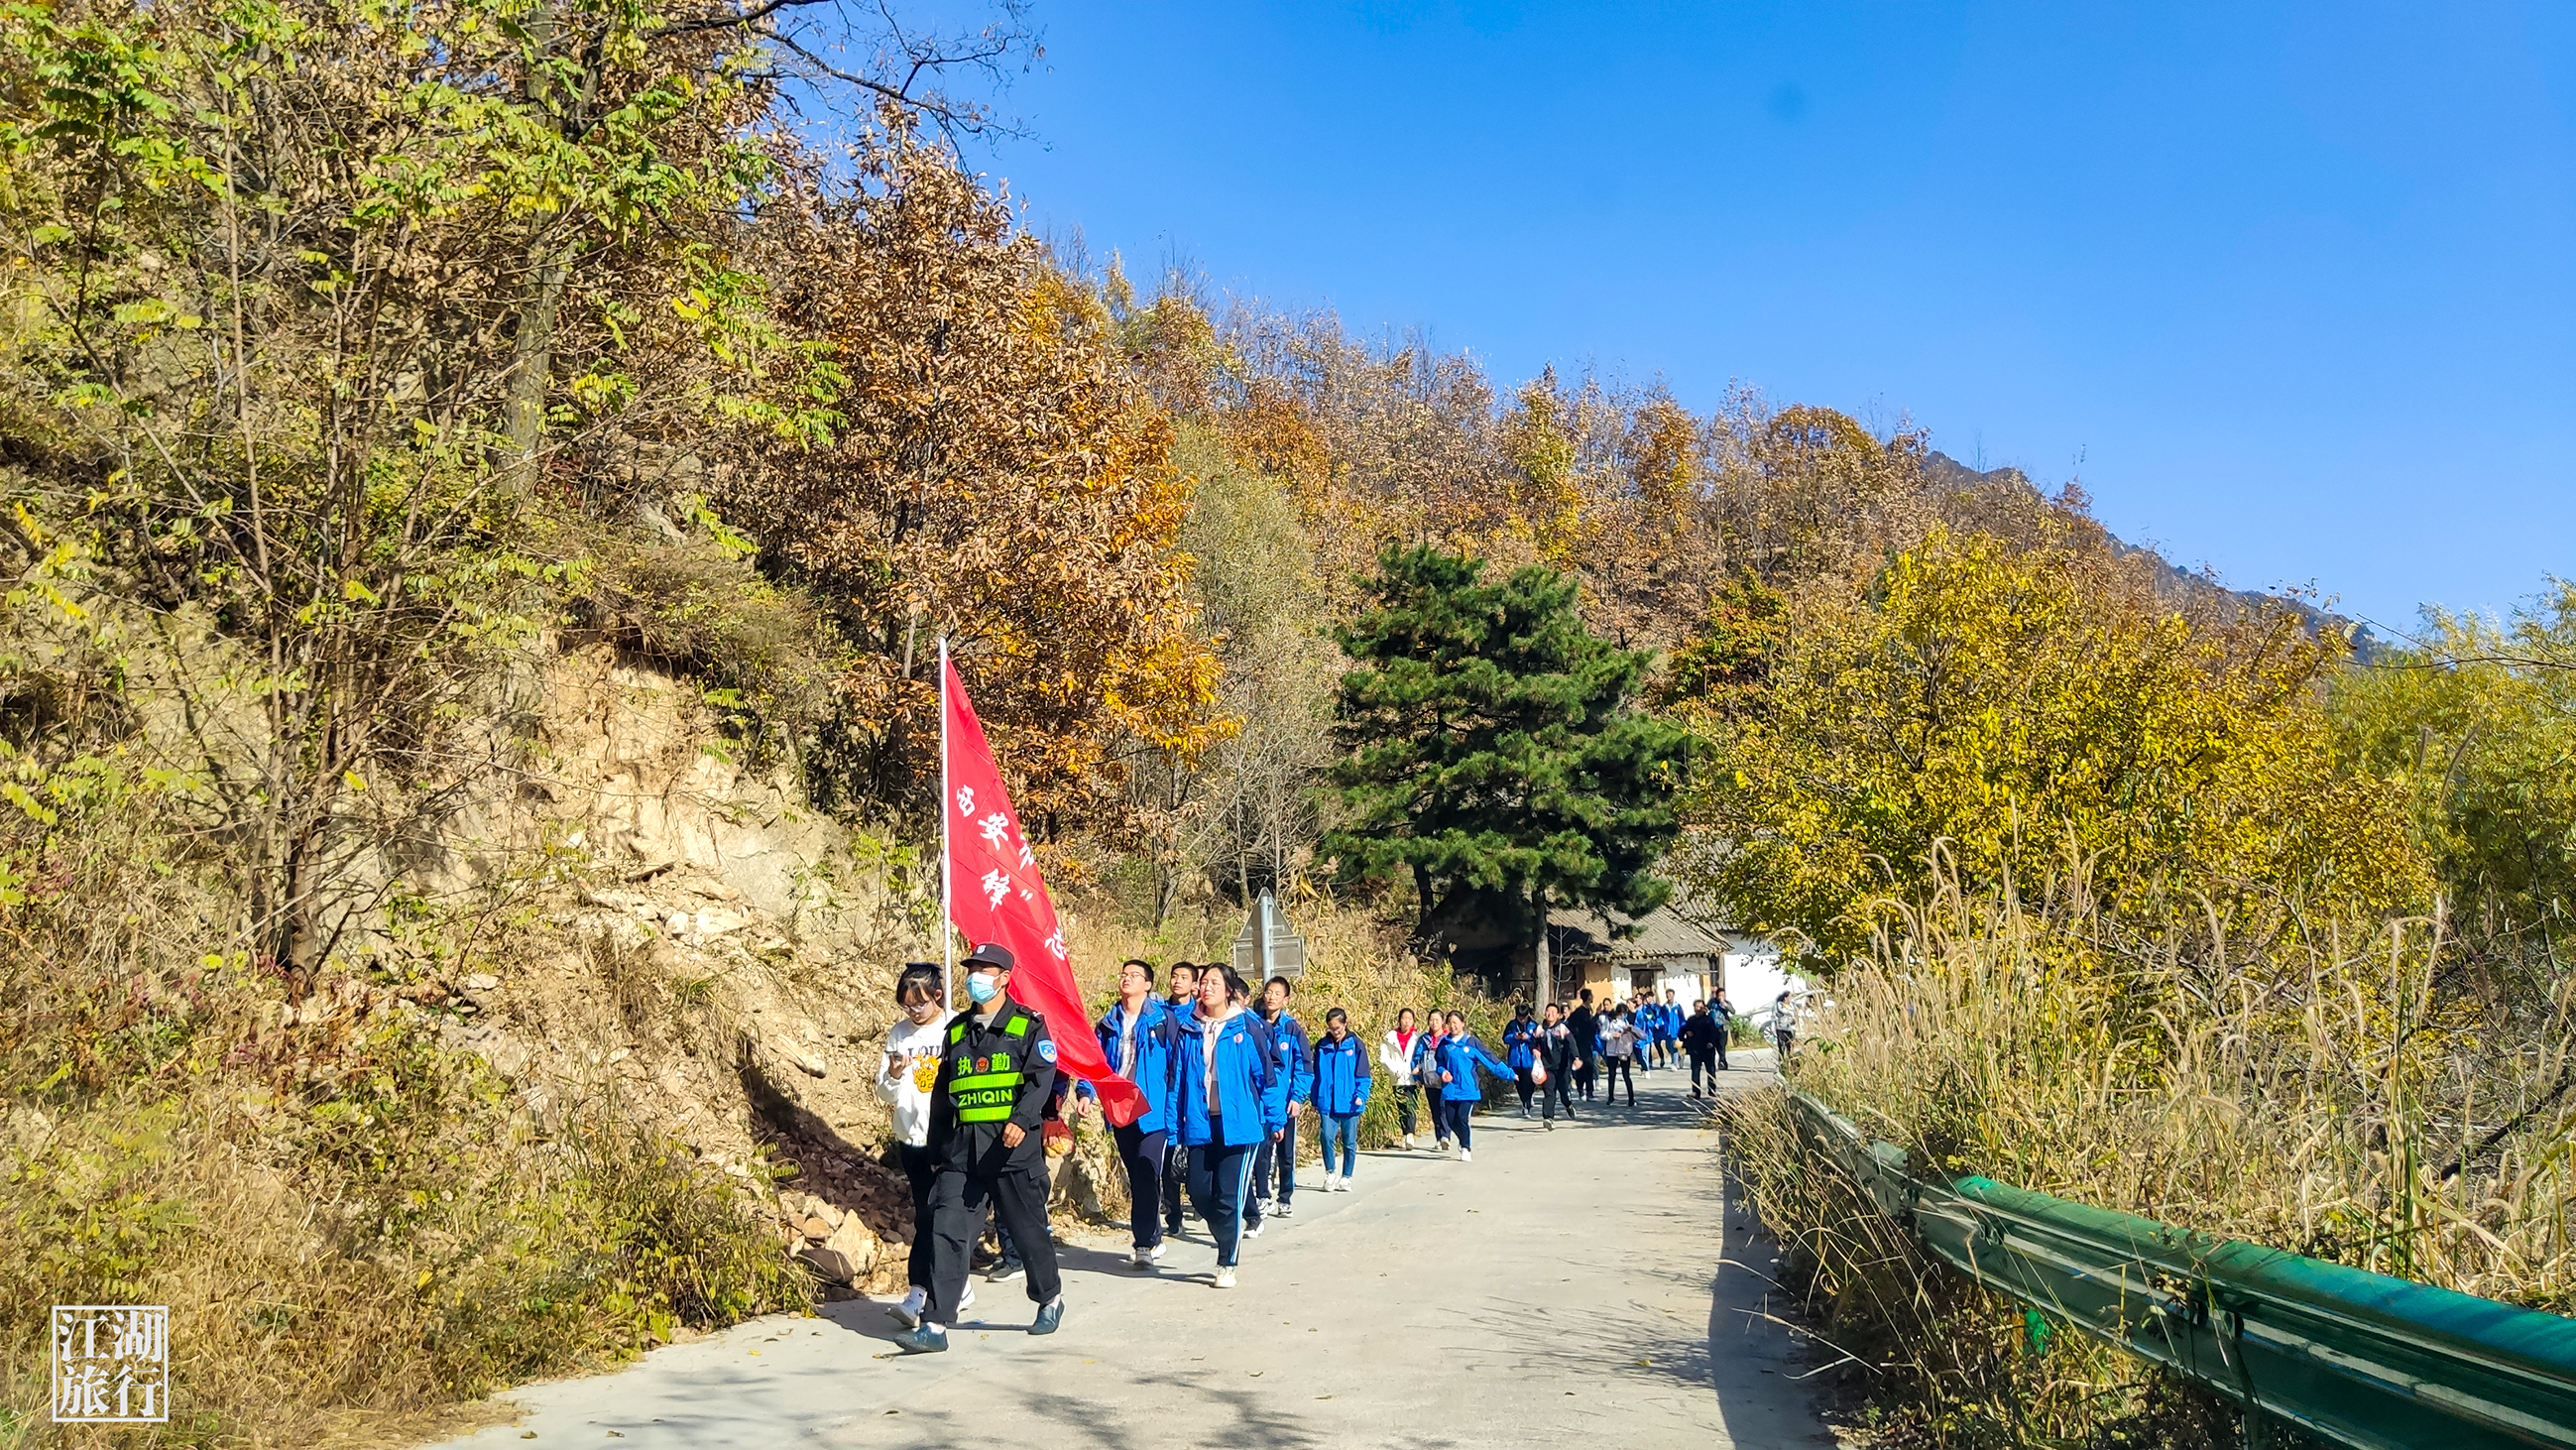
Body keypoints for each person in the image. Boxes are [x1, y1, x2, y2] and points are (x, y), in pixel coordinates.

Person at [896, 944, 1064, 1355]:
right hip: (962, 1155)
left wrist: (1021, 1120)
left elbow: (1040, 1078)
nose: (976, 977)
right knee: (947, 1232)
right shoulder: (956, 1031)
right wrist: (936, 1146)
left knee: (1027, 1234)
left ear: (1005, 977)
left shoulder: (1028, 1027)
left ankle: (1049, 1298)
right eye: (972, 969)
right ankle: (934, 1324)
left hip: (1011, 1153)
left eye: (985, 970)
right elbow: (941, 1094)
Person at [877, 962, 976, 1328]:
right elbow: (884, 1092)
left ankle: (919, 1294)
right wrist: (894, 1074)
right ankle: (958, 1286)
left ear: (938, 995)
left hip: (949, 1138)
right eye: (906, 1005)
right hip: (912, 1138)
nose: (912, 1012)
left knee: (936, 1216)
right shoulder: (899, 1034)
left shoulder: (958, 1027)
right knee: (926, 1214)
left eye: (918, 1004)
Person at [1173, 964, 1282, 1288]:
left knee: (1229, 1196)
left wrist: (1275, 1119)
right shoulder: (1188, 1027)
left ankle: (1227, 1262)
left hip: (1240, 1125)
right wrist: (1172, 1125)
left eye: (1214, 982)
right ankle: (1226, 1233)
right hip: (1200, 1123)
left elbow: (1267, 1077)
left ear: (1229, 990)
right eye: (1203, 982)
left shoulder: (1248, 1027)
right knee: (1198, 1190)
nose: (1206, 987)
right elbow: (1176, 1080)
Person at [1085, 958, 1183, 1269]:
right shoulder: (1108, 1022)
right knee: (1137, 1175)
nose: (1127, 979)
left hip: (1152, 1110)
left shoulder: (1163, 1020)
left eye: (1135, 975)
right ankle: (1153, 1235)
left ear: (1148, 984)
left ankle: (1142, 1244)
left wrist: (1174, 1109)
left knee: (1145, 1171)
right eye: (1124, 974)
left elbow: (1176, 1067)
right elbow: (1093, 1061)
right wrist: (1086, 1093)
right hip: (1120, 1107)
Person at [1247, 975, 1312, 1228]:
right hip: (1260, 1101)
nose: (1271, 996)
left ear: (1286, 999)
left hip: (1285, 1102)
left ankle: (1285, 1196)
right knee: (1261, 1152)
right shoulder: (1254, 1024)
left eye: (1277, 993)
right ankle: (1263, 1195)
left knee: (1286, 1153)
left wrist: (1297, 1097)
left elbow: (1304, 1067)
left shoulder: (1292, 1029)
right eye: (1268, 992)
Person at [1433, 1011, 1512, 1161]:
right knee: (1450, 1121)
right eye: (1450, 1023)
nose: (1453, 1026)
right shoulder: (1444, 1044)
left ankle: (1465, 1147)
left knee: (1462, 1118)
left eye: (1456, 1022)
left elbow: (1489, 1060)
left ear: (1463, 1023)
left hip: (1468, 1089)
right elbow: (1439, 1063)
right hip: (1450, 1089)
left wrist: (1509, 1074)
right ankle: (1463, 1138)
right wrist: (1442, 1072)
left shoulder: (1472, 1042)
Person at [1310, 1008, 1371, 1190]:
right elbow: (1316, 1074)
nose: (1335, 1031)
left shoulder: (1356, 1045)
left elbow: (1363, 1074)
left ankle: (1347, 1176)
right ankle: (1330, 1172)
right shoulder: (1322, 1046)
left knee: (1349, 1141)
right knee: (1326, 1136)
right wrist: (1314, 1098)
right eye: (1331, 1028)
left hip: (1350, 1102)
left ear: (1345, 1024)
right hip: (1327, 1101)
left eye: (1337, 1027)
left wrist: (1361, 1095)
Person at [1160, 962, 1200, 1238]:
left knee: (1196, 1163)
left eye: (1184, 977)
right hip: (1165, 1095)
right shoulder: (1158, 1014)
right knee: (1167, 1164)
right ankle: (1173, 1216)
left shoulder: (1199, 1016)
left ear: (1194, 984)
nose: (1178, 981)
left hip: (1193, 1097)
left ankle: (1201, 1202)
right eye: (1175, 976)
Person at [1379, 1008, 1426, 1148]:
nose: (1407, 1021)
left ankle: (1410, 1134)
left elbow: (1424, 1056)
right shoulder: (1390, 1037)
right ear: (1399, 1020)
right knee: (1401, 1107)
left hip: (1413, 1077)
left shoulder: (1419, 1037)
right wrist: (1394, 1070)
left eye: (1410, 1019)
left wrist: (1419, 1071)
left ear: (1413, 1021)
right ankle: (1405, 1133)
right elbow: (1384, 1057)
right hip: (1397, 1077)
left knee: (1410, 1105)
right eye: (1404, 1018)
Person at [1412, 1013, 1452, 1149]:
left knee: (1443, 1107)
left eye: (1437, 1020)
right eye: (1431, 1020)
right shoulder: (1424, 1039)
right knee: (1434, 1109)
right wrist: (1417, 1077)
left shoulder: (1447, 1038)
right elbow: (1416, 1058)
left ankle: (1445, 1135)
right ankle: (1439, 1138)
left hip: (1444, 1079)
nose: (1434, 1023)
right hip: (1429, 1079)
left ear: (1442, 1022)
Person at [1536, 1001, 1579, 1127]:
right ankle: (1548, 1118)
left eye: (1553, 1012)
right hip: (1547, 1066)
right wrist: (1534, 1050)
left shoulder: (1562, 1028)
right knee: (1549, 1092)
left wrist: (1576, 1057)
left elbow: (1572, 1043)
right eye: (1548, 1012)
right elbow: (1533, 1042)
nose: (1550, 1014)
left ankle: (1568, 1104)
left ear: (1558, 1015)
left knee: (1563, 1091)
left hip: (1562, 1066)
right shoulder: (1540, 1029)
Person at [1502, 1004, 1541, 1118]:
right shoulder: (1512, 1025)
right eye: (1519, 1017)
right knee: (1518, 1082)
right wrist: (1514, 1037)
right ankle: (1525, 1103)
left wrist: (1528, 1038)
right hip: (1515, 1059)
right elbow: (1505, 1038)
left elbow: (1539, 1039)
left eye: (1523, 1017)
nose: (1522, 1019)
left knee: (1529, 1082)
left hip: (1529, 1059)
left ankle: (1528, 1100)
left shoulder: (1534, 1025)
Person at [1681, 998, 1723, 1098]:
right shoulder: (1691, 1020)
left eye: (1700, 1007)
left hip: (1707, 1048)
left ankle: (1712, 1090)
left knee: (1711, 1070)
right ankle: (1695, 1091)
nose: (1698, 1009)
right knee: (1695, 1070)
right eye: (1696, 1006)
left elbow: (1714, 1033)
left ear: (1704, 1008)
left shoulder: (1709, 1020)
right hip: (1695, 1049)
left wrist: (1711, 1043)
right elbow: (1682, 1031)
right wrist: (1686, 1033)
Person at [1601, 1006, 1638, 1107]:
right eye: (1622, 1013)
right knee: (1612, 1074)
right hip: (1612, 1051)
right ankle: (1610, 1097)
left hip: (1623, 1051)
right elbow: (1602, 1034)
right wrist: (1612, 1035)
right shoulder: (1608, 1021)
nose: (1623, 1015)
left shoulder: (1625, 1022)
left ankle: (1631, 1098)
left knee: (1626, 1074)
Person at [1567, 990, 1598, 1103]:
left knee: (1589, 1066)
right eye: (1591, 995)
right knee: (1582, 1067)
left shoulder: (1588, 1010)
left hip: (1588, 1043)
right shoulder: (1579, 1012)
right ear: (1588, 997)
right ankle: (1581, 1090)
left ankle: (1590, 1091)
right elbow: (1572, 1025)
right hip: (1580, 1044)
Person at [1711, 989, 1735, 1072]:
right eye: (1720, 995)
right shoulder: (1712, 1002)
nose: (1721, 997)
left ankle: (1722, 1062)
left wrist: (1725, 1005)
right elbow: (1706, 1008)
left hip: (1723, 1026)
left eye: (1723, 995)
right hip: (1713, 1026)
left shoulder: (1726, 1002)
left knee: (1721, 1046)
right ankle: (1720, 1062)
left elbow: (1733, 1011)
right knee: (1714, 1045)